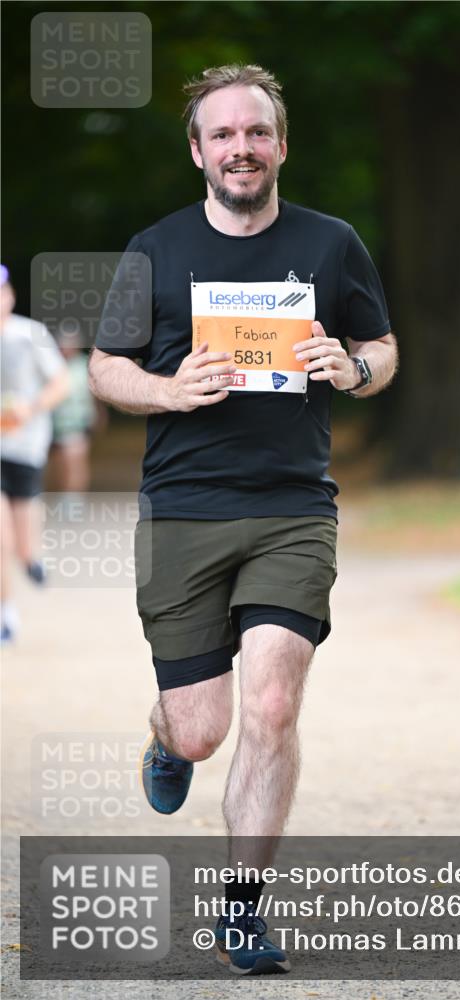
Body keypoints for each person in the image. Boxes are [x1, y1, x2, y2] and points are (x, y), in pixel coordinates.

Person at [88, 64, 398, 975]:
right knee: (202, 729)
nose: (240, 148)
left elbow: (379, 347)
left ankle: (242, 912)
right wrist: (166, 389)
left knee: (271, 701)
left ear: (281, 144)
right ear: (197, 152)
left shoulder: (331, 243)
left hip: (292, 508)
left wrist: (351, 369)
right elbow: (105, 367)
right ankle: (162, 732)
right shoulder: (155, 247)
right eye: (222, 134)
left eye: (255, 132)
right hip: (183, 509)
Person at [1, 265, 69, 644]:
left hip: (25, 446)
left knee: (22, 541)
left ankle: (31, 558)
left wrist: (29, 409)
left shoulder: (30, 334)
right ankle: (5, 612)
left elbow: (61, 383)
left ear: (9, 296)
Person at [50, 322, 105, 507]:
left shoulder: (84, 365)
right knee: (60, 463)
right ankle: (65, 496)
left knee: (75, 460)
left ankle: (74, 501)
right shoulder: (51, 364)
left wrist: (99, 416)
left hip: (79, 422)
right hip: (55, 424)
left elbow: (95, 394)